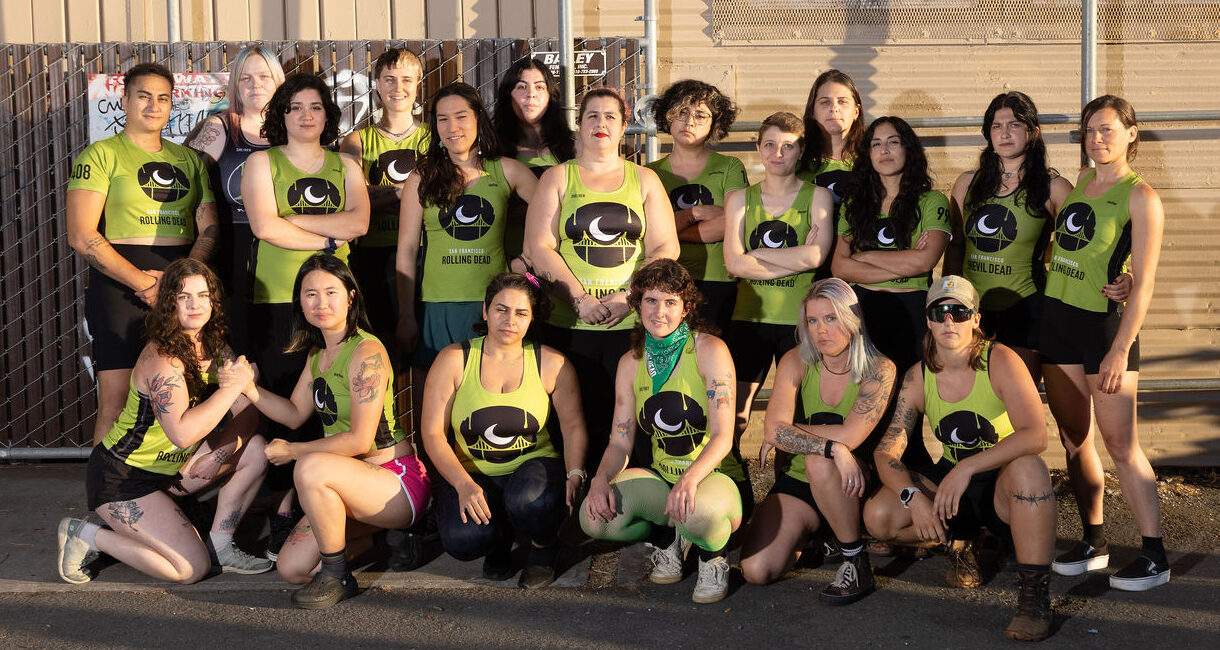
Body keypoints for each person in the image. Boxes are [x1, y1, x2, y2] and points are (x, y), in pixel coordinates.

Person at [864, 275, 1057, 641]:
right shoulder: (918, 376)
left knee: (1031, 468)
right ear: (929, 320)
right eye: (940, 312)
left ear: (976, 319)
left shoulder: (999, 359)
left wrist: (968, 466)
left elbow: (1036, 434)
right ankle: (957, 542)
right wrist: (914, 497)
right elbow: (885, 451)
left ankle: (1034, 599)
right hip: (952, 489)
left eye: (959, 311)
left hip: (999, 485)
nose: (949, 320)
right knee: (878, 516)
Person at [57, 258, 270, 585]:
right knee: (189, 569)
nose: (195, 304)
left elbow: (250, 411)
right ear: (169, 304)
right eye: (184, 297)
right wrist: (232, 387)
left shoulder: (214, 345)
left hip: (171, 471)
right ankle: (86, 534)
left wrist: (219, 455)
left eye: (202, 295)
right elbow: (182, 434)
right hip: (123, 478)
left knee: (255, 449)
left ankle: (221, 546)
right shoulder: (164, 360)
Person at [240, 254, 429, 609]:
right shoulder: (317, 355)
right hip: (352, 482)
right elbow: (295, 414)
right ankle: (384, 539)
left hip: (396, 481)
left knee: (310, 466)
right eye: (310, 294)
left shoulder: (366, 351)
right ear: (299, 301)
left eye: (331, 292)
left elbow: (360, 439)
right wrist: (249, 389)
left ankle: (339, 576)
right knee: (291, 568)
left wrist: (294, 452)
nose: (321, 302)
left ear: (350, 297)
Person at [241, 73, 371, 559]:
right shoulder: (262, 162)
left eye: (315, 107)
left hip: (337, 303)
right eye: (295, 107)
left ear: (327, 114)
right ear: (282, 114)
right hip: (278, 299)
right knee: (285, 406)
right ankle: (281, 507)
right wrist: (330, 240)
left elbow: (358, 222)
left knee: (332, 397)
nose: (306, 115)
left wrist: (292, 222)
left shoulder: (345, 166)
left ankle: (318, 498)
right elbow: (262, 226)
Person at [1042, 96, 1168, 591]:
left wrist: (1119, 348)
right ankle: (1094, 542)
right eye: (1090, 130)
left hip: (1103, 333)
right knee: (1075, 439)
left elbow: (1148, 281)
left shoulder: (1142, 197)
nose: (1098, 138)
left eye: (1108, 129)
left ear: (1131, 134)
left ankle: (1155, 556)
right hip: (1058, 323)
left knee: (1121, 444)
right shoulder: (1079, 184)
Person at [524, 87, 679, 468]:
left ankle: (632, 503)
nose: (601, 124)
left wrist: (628, 296)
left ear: (625, 126)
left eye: (611, 116)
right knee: (576, 422)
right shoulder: (558, 178)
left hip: (630, 321)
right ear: (580, 125)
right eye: (592, 115)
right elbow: (539, 247)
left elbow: (664, 247)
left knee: (633, 420)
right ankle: (575, 503)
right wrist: (580, 299)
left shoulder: (644, 179)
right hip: (570, 323)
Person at [67, 62, 219, 446]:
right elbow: (82, 236)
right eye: (143, 96)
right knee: (115, 404)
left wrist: (180, 282)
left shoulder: (188, 160)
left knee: (185, 397)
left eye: (163, 98)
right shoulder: (100, 155)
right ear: (125, 100)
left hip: (179, 284)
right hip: (120, 288)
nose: (154, 106)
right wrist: (144, 284)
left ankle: (168, 492)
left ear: (172, 106)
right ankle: (105, 499)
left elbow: (210, 227)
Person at [580, 259, 742, 604]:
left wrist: (690, 480)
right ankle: (670, 541)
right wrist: (599, 480)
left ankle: (712, 557)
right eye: (650, 301)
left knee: (696, 511)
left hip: (713, 478)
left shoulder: (709, 350)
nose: (660, 312)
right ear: (637, 306)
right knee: (593, 518)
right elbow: (620, 440)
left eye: (671, 302)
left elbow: (723, 436)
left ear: (686, 309)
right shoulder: (630, 362)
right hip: (664, 479)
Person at [943, 91, 1131, 380]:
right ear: (988, 134)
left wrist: (1125, 273)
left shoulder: (1053, 187)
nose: (1004, 133)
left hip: (1027, 310)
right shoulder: (967, 183)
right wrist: (950, 300)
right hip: (971, 310)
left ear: (1033, 133)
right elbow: (955, 248)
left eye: (1015, 125)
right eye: (997, 126)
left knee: (1018, 404)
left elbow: (1087, 244)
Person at [420, 273, 589, 589]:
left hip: (533, 468)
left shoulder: (552, 363)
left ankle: (543, 548)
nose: (509, 320)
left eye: (521, 312)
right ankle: (497, 539)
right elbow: (432, 434)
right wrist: (463, 485)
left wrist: (575, 472)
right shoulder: (454, 359)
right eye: (501, 309)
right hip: (473, 472)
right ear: (485, 311)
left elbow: (574, 426)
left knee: (532, 502)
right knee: (464, 540)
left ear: (532, 318)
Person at [740, 278, 896, 606]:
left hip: (850, 482)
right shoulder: (795, 360)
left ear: (852, 319)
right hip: (798, 482)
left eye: (831, 318)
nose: (821, 330)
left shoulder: (880, 369)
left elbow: (850, 435)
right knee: (756, 570)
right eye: (813, 320)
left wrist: (790, 432)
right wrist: (831, 445)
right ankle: (819, 537)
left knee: (819, 460)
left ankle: (854, 559)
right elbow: (771, 429)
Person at [397, 82, 539, 425]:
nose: (452, 127)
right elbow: (404, 251)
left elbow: (552, 226)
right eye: (442, 119)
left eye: (461, 116)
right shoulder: (422, 176)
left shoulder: (507, 170)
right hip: (436, 309)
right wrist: (406, 314)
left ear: (479, 118)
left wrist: (522, 267)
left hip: (492, 309)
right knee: (434, 413)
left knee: (481, 407)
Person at [722, 111, 834, 512]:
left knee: (796, 418)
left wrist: (758, 256)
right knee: (735, 414)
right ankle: (733, 490)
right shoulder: (740, 198)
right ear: (757, 148)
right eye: (769, 144)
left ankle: (792, 499)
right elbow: (733, 264)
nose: (777, 152)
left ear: (801, 150)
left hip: (799, 325)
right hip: (748, 320)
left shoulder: (817, 196)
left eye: (788, 145)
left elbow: (819, 255)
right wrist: (796, 258)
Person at [832, 115, 950, 470]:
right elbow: (839, 267)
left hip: (910, 310)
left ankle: (912, 481)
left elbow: (923, 262)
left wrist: (864, 255)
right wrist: (901, 259)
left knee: (904, 403)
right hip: (862, 311)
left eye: (893, 142)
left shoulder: (931, 201)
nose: (884, 150)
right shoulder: (855, 205)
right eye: (876, 143)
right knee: (866, 401)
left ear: (908, 148)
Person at [188, 45, 285, 356]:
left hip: (285, 246)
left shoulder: (296, 129)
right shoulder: (220, 127)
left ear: (278, 82)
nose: (255, 85)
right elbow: (185, 179)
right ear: (235, 86)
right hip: (232, 250)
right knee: (236, 347)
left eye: (263, 77)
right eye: (245, 78)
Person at [339, 48, 429, 342]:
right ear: (376, 83)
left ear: (418, 83)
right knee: (378, 339)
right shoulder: (357, 140)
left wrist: (380, 197)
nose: (398, 88)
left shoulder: (432, 138)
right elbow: (355, 198)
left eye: (406, 79)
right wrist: (411, 193)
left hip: (425, 250)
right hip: (373, 254)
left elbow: (443, 194)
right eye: (389, 79)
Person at [646, 79, 749, 332]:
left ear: (715, 123)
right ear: (667, 116)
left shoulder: (730, 167)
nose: (689, 121)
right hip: (665, 284)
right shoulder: (648, 173)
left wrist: (669, 233)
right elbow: (646, 230)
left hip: (718, 281)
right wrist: (697, 213)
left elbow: (732, 224)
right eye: (681, 112)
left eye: (700, 115)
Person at [492, 57, 576, 261]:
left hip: (563, 258)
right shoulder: (491, 148)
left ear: (550, 96)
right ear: (507, 95)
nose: (531, 94)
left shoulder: (575, 146)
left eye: (540, 87)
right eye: (521, 87)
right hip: (506, 258)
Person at [797, 69, 864, 279]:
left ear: (856, 111)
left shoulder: (873, 163)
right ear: (813, 111)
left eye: (843, 102)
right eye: (825, 102)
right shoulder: (796, 163)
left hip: (858, 272)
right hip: (807, 272)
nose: (834, 108)